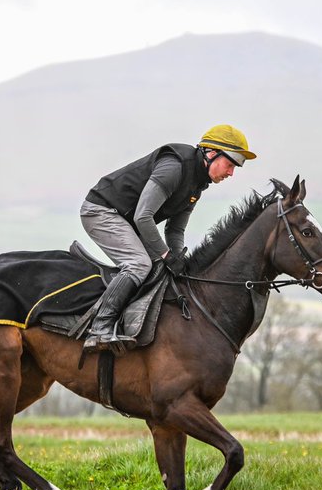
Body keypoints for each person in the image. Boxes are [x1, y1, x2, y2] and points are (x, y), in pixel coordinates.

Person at [79, 124, 256, 351]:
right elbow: (144, 217)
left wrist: (178, 257)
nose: (231, 173)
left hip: (129, 221)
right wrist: (165, 254)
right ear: (211, 153)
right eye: (230, 164)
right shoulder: (174, 168)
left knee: (164, 269)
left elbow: (175, 231)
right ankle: (99, 328)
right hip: (101, 211)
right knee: (139, 264)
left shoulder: (197, 186)